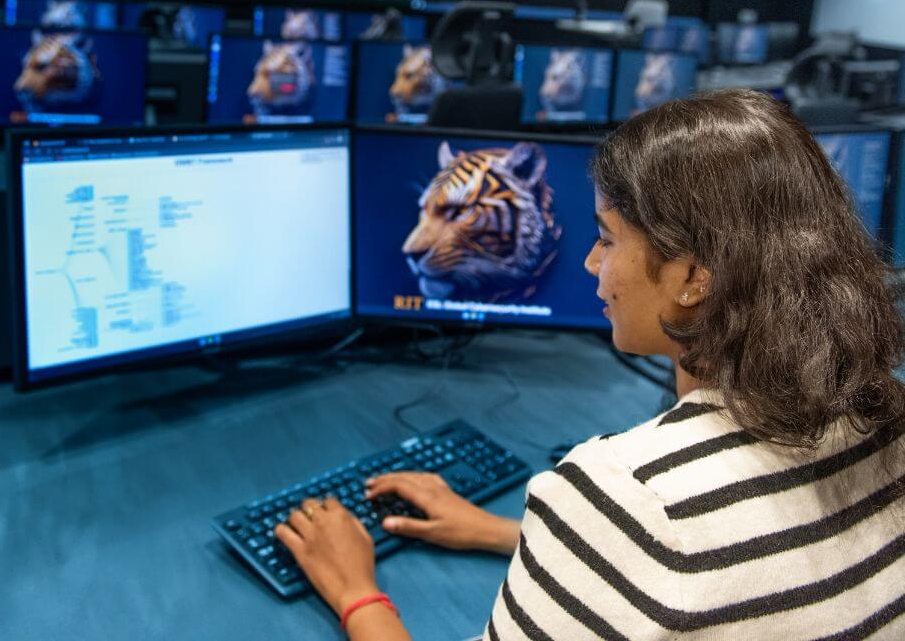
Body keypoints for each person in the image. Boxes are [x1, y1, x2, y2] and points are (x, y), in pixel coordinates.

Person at [274, 89, 905, 640]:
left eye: (607, 238)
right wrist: (513, 535)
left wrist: (355, 591)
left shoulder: (632, 496)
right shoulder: (884, 415)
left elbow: (673, 548)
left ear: (690, 277)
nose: (590, 265)